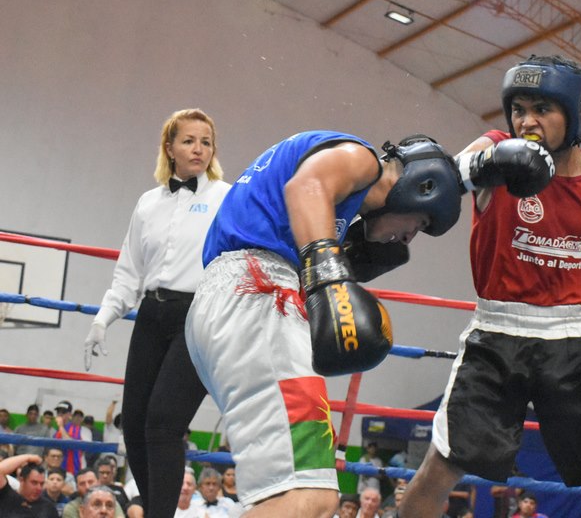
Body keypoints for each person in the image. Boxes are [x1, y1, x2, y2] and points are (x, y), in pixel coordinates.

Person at [400, 55, 581, 518]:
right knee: (440, 468)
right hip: (497, 334)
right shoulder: (496, 150)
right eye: (518, 109)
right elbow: (439, 180)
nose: (526, 122)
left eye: (542, 109)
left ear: (574, 114)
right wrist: (489, 165)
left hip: (571, 338)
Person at [185, 130, 477, 518]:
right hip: (258, 296)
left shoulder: (333, 205)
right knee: (306, 497)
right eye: (420, 222)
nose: (409, 236)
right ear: (422, 188)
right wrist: (328, 276)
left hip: (235, 303)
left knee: (310, 500)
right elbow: (305, 185)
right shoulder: (362, 159)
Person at [84, 108, 231, 518]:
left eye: (206, 142)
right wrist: (102, 318)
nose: (198, 149)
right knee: (133, 425)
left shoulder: (226, 197)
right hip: (151, 314)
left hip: (197, 317)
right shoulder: (148, 203)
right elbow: (128, 272)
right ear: (170, 147)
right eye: (189, 140)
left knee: (164, 423)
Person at [0, 454, 58, 518]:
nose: (39, 488)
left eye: (41, 484)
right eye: (34, 483)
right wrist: (29, 457)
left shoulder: (48, 508)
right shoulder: (6, 496)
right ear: (22, 480)